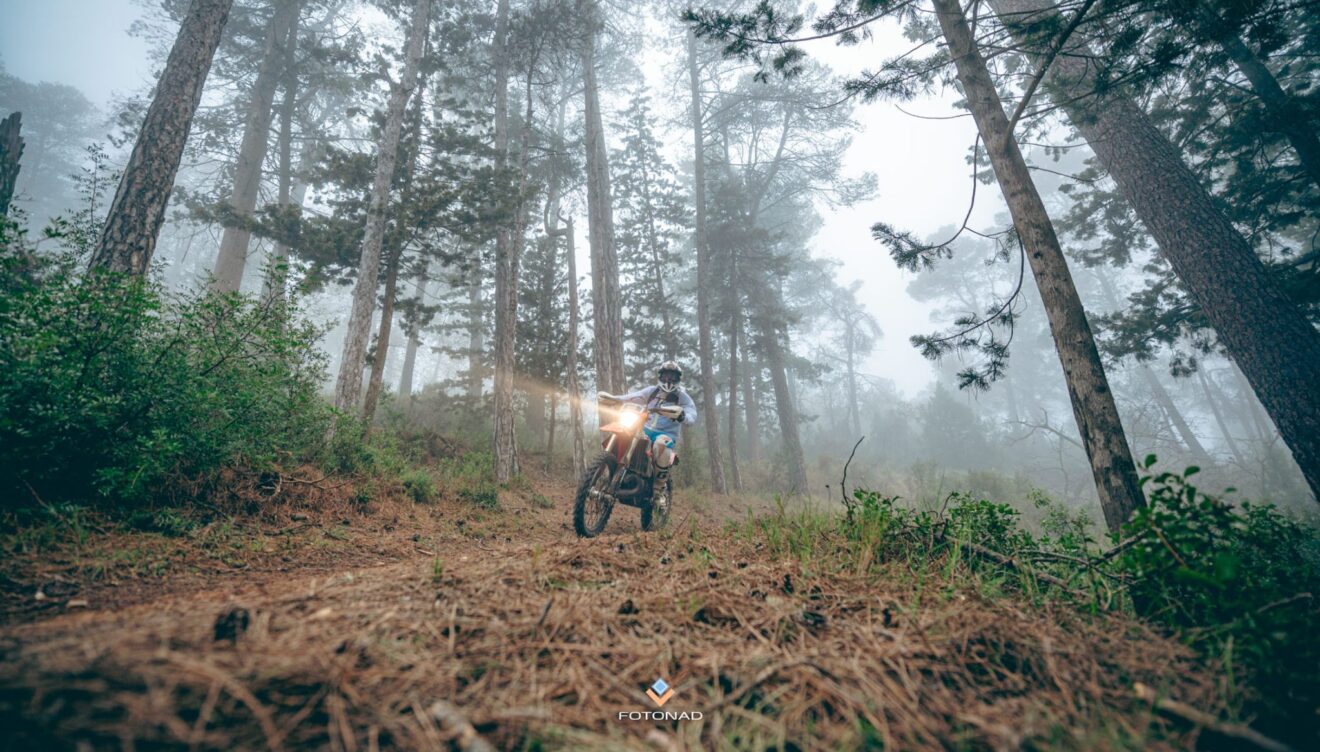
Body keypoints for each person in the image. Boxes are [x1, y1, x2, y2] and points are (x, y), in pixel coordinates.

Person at [598, 360, 697, 478]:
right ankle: (610, 467)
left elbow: (691, 415)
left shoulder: (683, 398)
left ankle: (659, 485)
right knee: (624, 432)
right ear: (660, 376)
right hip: (645, 429)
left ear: (678, 379)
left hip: (666, 435)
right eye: (666, 376)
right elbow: (633, 397)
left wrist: (683, 416)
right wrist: (615, 399)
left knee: (661, 444)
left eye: (672, 377)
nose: (669, 380)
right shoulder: (652, 391)